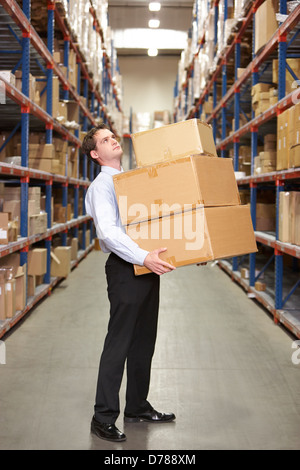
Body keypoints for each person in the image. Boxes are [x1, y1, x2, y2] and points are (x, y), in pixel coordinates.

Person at [82, 124, 176, 442]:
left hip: (145, 265)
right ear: (96, 154)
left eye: (113, 136)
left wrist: (190, 251)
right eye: (105, 140)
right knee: (119, 343)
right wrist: (143, 257)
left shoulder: (131, 181)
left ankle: (137, 406)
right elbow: (109, 232)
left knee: (143, 341)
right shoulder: (101, 186)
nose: (113, 140)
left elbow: (156, 222)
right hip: (125, 268)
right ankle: (103, 416)